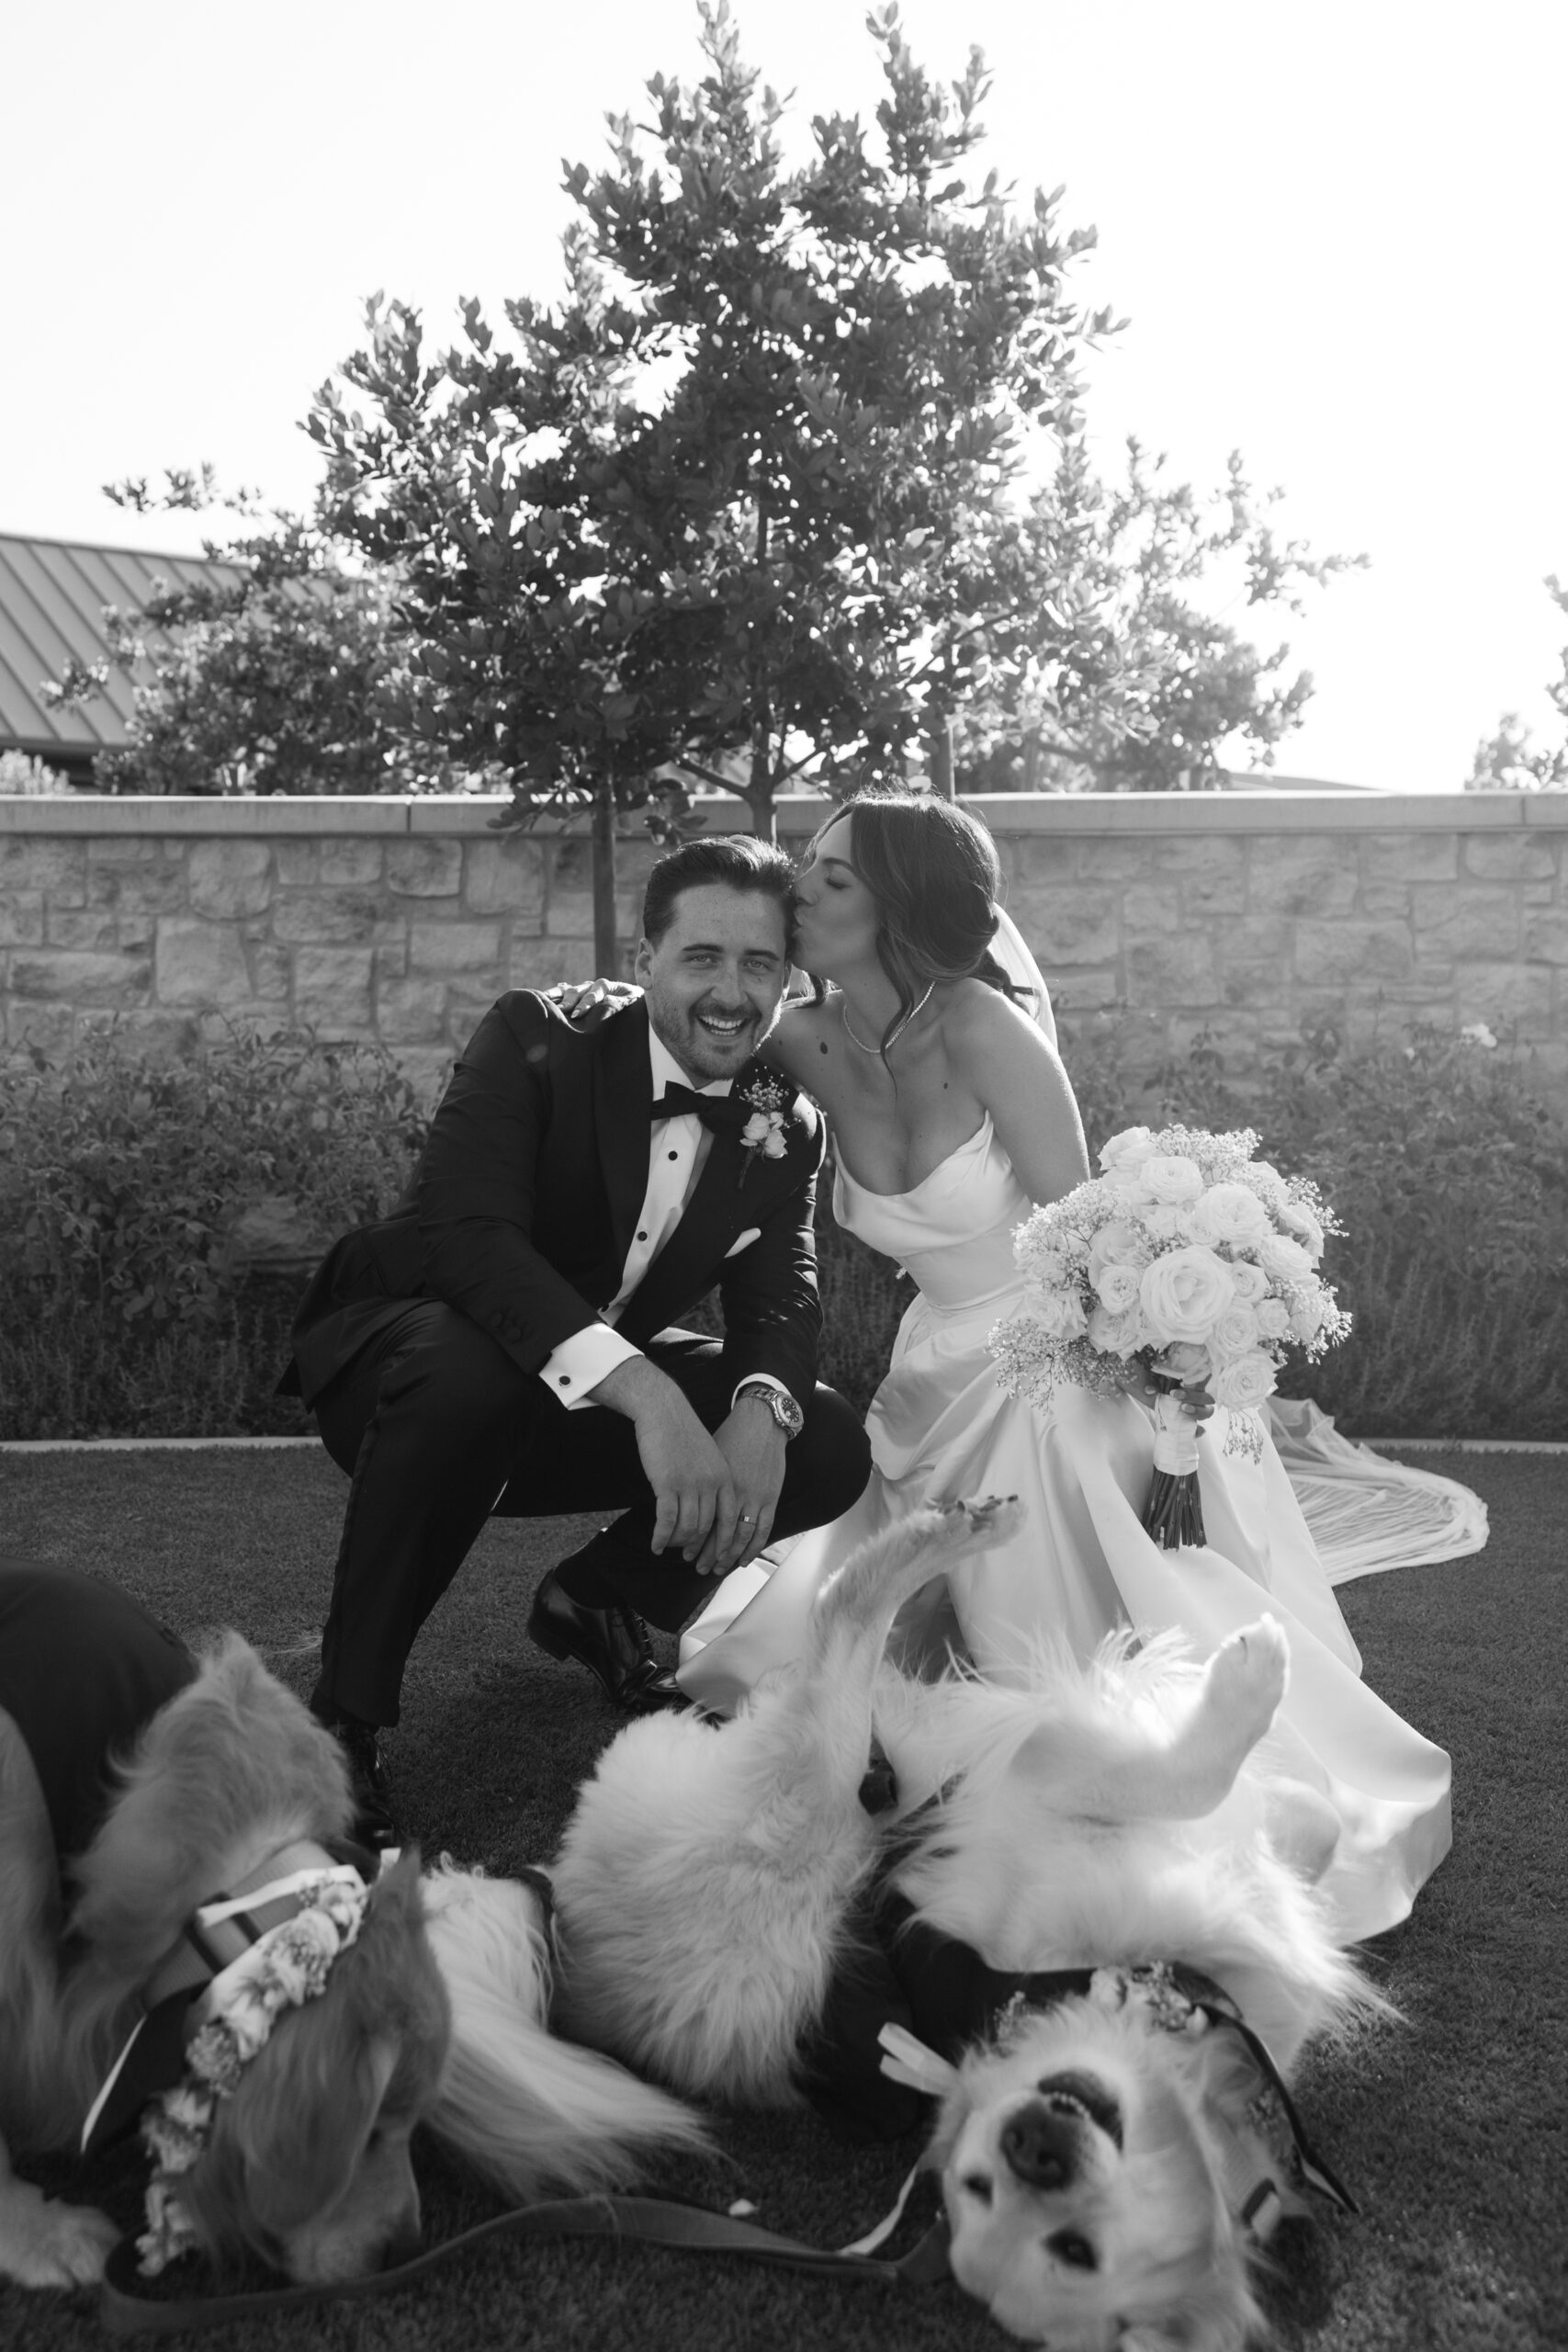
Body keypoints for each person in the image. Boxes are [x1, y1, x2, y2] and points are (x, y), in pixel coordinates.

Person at [555, 794, 1471, 1945]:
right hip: (929, 1357)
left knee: (1042, 1509)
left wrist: (1171, 1364)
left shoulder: (985, 1028)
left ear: (901, 905)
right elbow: (673, 1029)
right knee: (827, 1660)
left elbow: (1095, 1241)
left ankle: (1136, 1749)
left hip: (1056, 1355)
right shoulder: (796, 1038)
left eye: (833, 878)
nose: (801, 893)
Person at [281, 835, 873, 1844]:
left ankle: (593, 1600)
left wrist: (758, 1413)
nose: (732, 992)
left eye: (760, 964)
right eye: (702, 958)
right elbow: (465, 1240)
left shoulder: (786, 1120)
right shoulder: (534, 1036)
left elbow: (784, 1296)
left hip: (564, 1406)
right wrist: (646, 1394)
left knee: (820, 1435)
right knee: (472, 1370)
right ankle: (344, 1716)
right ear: (646, 957)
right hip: (413, 1370)